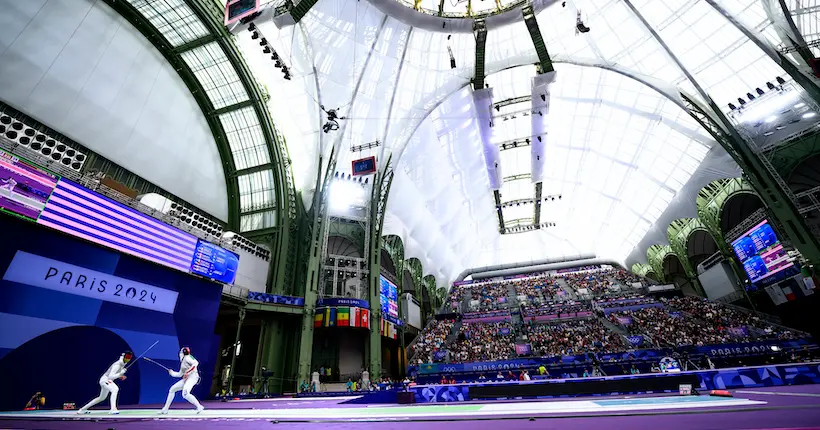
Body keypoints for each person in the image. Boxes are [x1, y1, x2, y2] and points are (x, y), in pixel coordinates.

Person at [159, 347, 204, 414]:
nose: (180, 354)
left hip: (193, 377)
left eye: (181, 352)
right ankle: (165, 409)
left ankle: (199, 406)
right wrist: (172, 373)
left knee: (185, 394)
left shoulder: (188, 357)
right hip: (187, 379)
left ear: (183, 353)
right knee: (172, 389)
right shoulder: (183, 362)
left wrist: (187, 372)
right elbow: (180, 374)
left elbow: (195, 363)